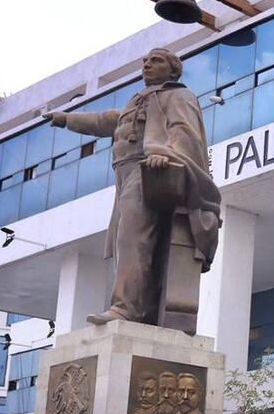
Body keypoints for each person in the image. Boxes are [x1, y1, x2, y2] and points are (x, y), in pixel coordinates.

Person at [44, 48, 221, 327]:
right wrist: (67, 119)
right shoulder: (137, 100)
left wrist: (167, 153)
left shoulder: (178, 95)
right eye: (145, 60)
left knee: (132, 237)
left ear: (173, 70)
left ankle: (126, 308)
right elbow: (105, 121)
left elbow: (184, 133)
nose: (147, 64)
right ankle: (139, 310)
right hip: (124, 175)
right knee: (126, 240)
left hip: (149, 170)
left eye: (156, 61)